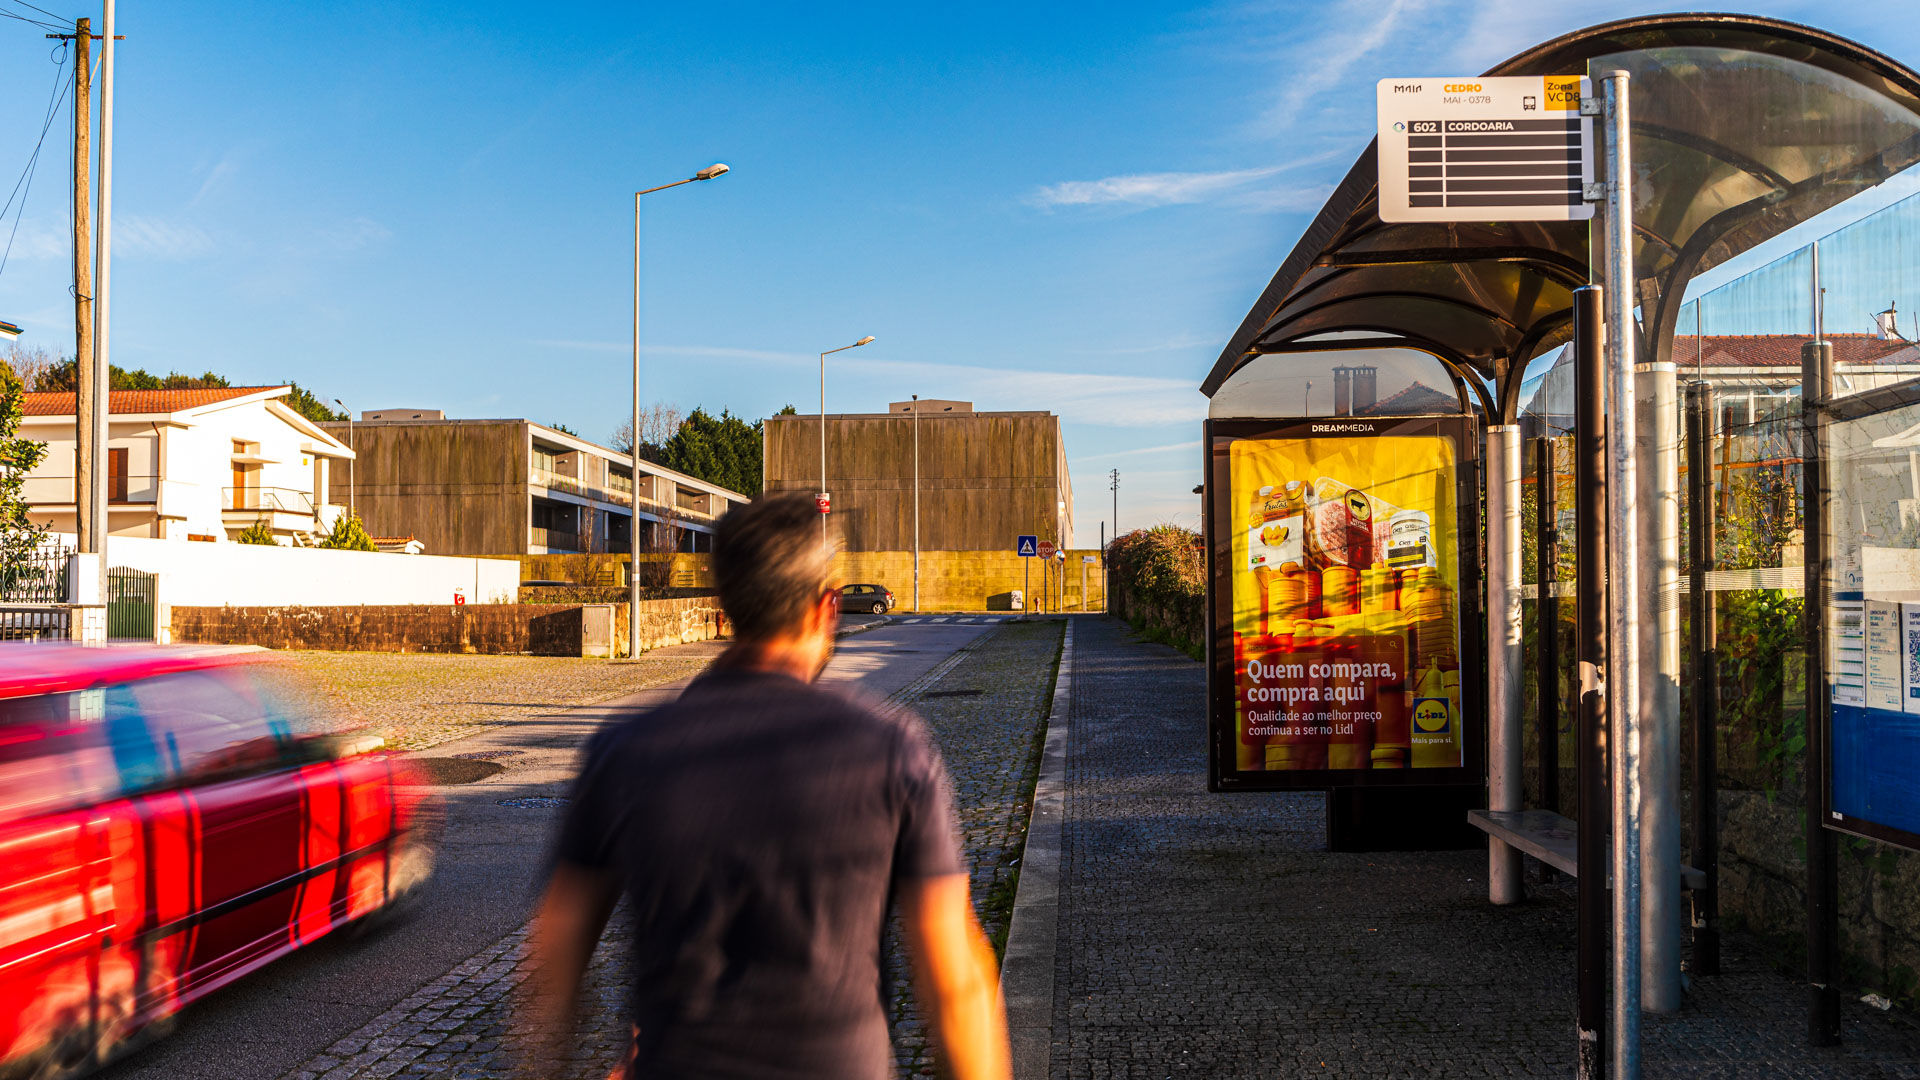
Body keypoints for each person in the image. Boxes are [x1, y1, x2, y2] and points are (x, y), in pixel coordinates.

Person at [523, 493, 1010, 1080]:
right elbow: (956, 985)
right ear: (827, 608)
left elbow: (553, 958)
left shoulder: (626, 751)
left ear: (725, 609)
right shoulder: (890, 752)